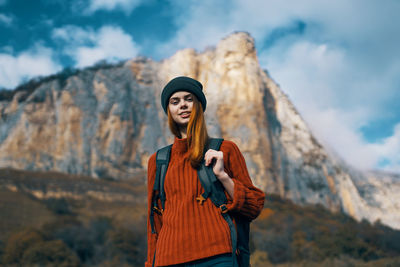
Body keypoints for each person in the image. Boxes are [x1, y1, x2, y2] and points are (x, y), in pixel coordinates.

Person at [145, 76, 265, 267]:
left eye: (189, 99)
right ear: (169, 111)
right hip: (168, 260)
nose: (182, 105)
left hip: (218, 256)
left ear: (199, 105)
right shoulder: (158, 161)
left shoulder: (226, 149)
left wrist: (223, 176)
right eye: (175, 102)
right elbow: (155, 222)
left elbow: (254, 206)